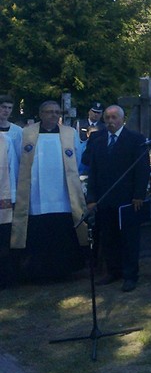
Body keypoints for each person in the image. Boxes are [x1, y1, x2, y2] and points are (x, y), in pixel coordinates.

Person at [11, 101, 87, 281]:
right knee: (40, 235)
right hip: (36, 195)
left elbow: (77, 158)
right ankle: (39, 272)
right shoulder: (27, 133)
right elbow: (19, 159)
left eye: (56, 112)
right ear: (41, 114)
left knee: (61, 234)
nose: (54, 115)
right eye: (49, 112)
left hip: (64, 194)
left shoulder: (70, 133)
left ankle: (64, 271)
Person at [85, 105, 149, 292]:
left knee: (129, 239)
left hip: (128, 199)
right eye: (107, 117)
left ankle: (130, 275)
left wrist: (139, 195)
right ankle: (113, 271)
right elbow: (92, 170)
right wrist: (91, 198)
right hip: (104, 198)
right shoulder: (97, 139)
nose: (110, 121)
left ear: (122, 119)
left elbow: (142, 169)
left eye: (114, 117)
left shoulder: (135, 139)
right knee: (108, 237)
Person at [0, 94, 21, 288]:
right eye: (2, 107)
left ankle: (9, 275)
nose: (5, 111)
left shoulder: (17, 132)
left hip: (8, 188)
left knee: (6, 234)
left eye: (9, 107)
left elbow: (18, 161)